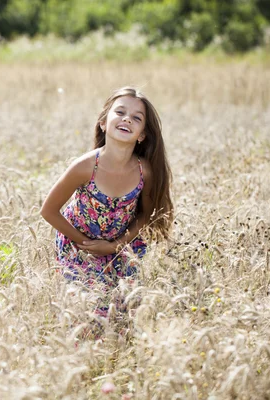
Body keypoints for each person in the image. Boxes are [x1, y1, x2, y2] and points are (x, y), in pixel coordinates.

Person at [40, 86, 173, 317]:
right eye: (120, 113)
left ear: (142, 135)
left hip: (123, 245)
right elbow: (48, 210)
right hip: (78, 246)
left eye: (136, 118)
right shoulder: (85, 166)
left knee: (125, 314)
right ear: (103, 122)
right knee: (91, 311)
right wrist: (88, 246)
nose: (127, 120)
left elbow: (146, 215)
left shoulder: (145, 171)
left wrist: (114, 246)